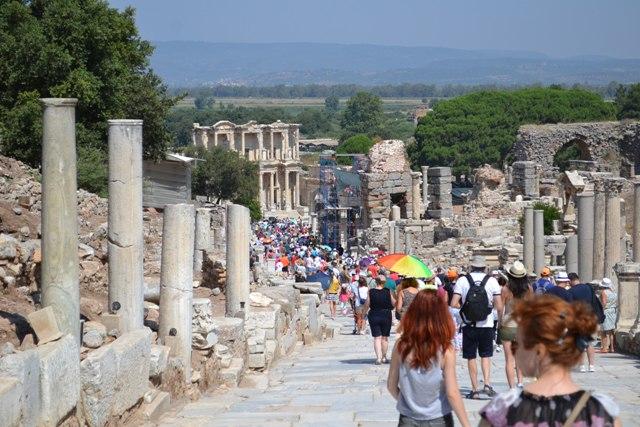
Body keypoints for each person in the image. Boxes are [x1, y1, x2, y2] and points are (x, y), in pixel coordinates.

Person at [480, 295, 621, 427]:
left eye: (519, 344)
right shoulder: (601, 412)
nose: (514, 350)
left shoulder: (502, 410)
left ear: (539, 351)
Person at [387, 288, 471, 427]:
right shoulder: (446, 350)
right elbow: (452, 393)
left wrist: (407, 403)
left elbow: (391, 385)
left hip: (408, 419)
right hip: (439, 419)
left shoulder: (400, 346)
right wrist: (466, 424)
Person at [450, 255, 503, 399]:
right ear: (485, 267)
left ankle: (474, 390)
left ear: (471, 266)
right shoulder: (492, 281)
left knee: (471, 356)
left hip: (469, 324)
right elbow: (499, 306)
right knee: (486, 355)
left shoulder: (462, 280)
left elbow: (453, 303)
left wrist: (465, 310)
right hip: (487, 324)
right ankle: (487, 384)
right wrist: (498, 320)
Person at [499, 261, 531, 389]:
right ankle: (520, 382)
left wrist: (499, 323)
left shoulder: (505, 289)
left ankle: (512, 388)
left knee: (509, 359)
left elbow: (500, 309)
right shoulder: (529, 289)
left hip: (508, 324)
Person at [567, 272, 599, 372]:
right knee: (590, 343)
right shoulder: (589, 288)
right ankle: (592, 366)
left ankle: (582, 366)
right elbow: (595, 302)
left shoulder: (571, 291)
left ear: (570, 281)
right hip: (590, 318)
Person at [364, 275, 396, 364]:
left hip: (374, 314)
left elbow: (367, 304)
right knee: (385, 337)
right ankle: (384, 357)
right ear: (384, 282)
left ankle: (378, 358)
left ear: (376, 282)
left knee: (377, 337)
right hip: (386, 314)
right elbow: (394, 303)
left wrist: (364, 313)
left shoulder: (370, 291)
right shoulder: (388, 291)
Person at [599, 278, 617, 353]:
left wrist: (600, 311)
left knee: (603, 331)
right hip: (613, 311)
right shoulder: (613, 292)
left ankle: (604, 348)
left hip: (606, 311)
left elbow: (604, 302)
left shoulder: (603, 292)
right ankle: (612, 348)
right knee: (611, 331)